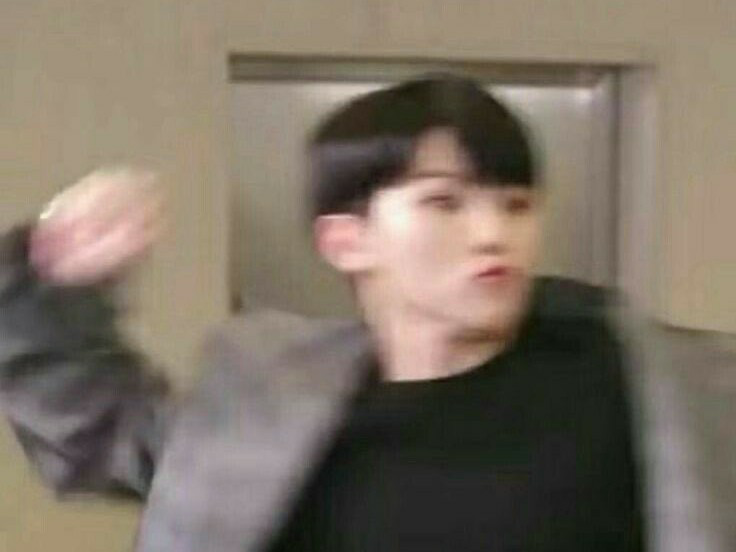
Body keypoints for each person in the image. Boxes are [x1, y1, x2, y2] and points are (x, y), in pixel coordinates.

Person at [0, 75, 733, 552]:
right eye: (444, 202)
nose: (492, 233)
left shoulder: (655, 389)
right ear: (346, 241)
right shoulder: (270, 402)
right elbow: (95, 432)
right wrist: (44, 283)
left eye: (515, 205)